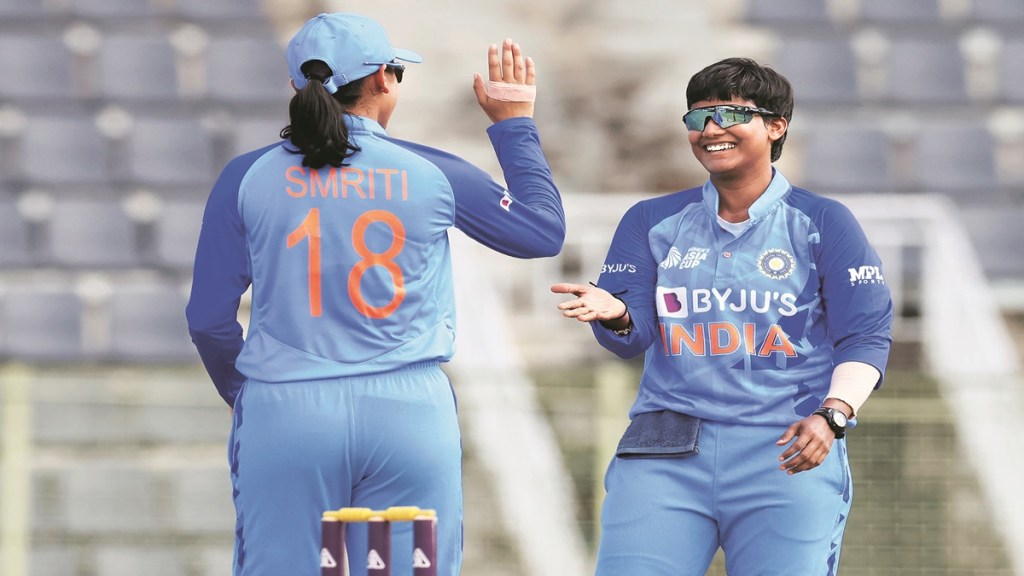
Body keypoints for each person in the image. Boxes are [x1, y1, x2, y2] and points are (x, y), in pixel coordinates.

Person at [186, 12, 564, 576]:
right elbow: (542, 233)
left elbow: (207, 320)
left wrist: (249, 395)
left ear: (296, 87)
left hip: (287, 412)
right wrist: (514, 126)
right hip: (406, 416)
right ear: (384, 78)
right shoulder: (432, 172)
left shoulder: (245, 177)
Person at [551, 57, 893, 575]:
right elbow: (630, 337)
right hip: (664, 450)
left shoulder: (823, 221)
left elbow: (865, 335)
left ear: (776, 126)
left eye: (731, 115)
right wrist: (618, 314)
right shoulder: (651, 220)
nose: (710, 130)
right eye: (698, 118)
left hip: (787, 450)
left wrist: (834, 413)